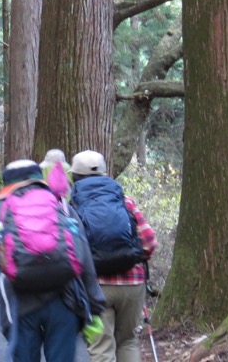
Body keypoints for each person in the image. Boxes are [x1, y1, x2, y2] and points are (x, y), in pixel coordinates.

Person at [0, 159, 106, 362]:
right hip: (65, 301)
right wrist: (94, 308)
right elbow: (84, 257)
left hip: (19, 304)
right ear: (38, 178)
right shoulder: (62, 205)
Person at [70, 150, 158, 362]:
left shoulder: (71, 205)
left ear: (75, 176)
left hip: (95, 286)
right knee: (128, 341)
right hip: (132, 283)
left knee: (102, 348)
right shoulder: (124, 200)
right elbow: (149, 241)